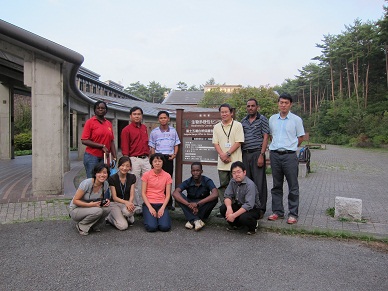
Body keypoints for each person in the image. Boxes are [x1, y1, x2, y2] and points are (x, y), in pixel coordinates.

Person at [268, 93, 305, 224]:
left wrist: (291, 147)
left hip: (289, 156)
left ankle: (293, 214)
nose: (283, 105)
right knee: (276, 185)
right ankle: (278, 211)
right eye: (281, 102)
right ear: (278, 103)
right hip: (275, 155)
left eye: (286, 103)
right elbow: (271, 136)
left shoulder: (296, 120)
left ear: (290, 104)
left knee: (293, 186)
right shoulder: (272, 119)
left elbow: (300, 137)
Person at [212, 103, 244, 215]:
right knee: (223, 186)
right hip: (222, 163)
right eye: (222, 112)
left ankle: (236, 208)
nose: (224, 114)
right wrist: (222, 155)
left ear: (231, 113)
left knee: (237, 185)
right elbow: (215, 143)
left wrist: (228, 154)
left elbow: (239, 142)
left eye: (226, 112)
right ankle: (224, 208)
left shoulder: (238, 125)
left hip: (235, 162)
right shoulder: (216, 127)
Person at [241, 98, 269, 219]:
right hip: (245, 154)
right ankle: (249, 207)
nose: (250, 108)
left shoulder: (262, 119)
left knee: (259, 182)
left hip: (257, 153)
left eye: (253, 106)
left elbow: (266, 137)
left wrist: (262, 155)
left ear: (257, 107)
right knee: (247, 182)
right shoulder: (243, 121)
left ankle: (261, 208)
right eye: (248, 106)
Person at [121, 106, 151, 214]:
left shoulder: (144, 128)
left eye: (139, 114)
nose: (137, 116)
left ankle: (147, 204)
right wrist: (127, 163)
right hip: (134, 159)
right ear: (130, 116)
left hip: (145, 159)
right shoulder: (126, 130)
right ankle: (137, 206)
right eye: (134, 114)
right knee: (135, 183)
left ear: (141, 116)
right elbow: (125, 148)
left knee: (149, 181)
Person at [172, 162, 218, 231]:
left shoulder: (207, 181)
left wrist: (198, 204)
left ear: (201, 171)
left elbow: (215, 194)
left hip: (202, 208)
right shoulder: (188, 181)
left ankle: (191, 220)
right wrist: (188, 204)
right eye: (193, 171)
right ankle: (196, 220)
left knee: (214, 199)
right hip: (190, 207)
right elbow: (175, 193)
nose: (195, 173)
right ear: (191, 172)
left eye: (197, 171)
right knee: (179, 196)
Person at [149, 110, 181, 210]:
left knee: (167, 179)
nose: (163, 119)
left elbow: (176, 144)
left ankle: (168, 203)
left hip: (169, 158)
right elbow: (152, 146)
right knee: (158, 180)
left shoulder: (173, 131)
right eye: (161, 118)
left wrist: (175, 154)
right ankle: (158, 201)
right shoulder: (154, 132)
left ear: (168, 119)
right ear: (158, 120)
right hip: (158, 157)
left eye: (165, 117)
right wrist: (154, 159)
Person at [69, 163, 111, 235]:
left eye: (104, 173)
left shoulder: (105, 184)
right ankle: (81, 226)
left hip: (90, 207)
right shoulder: (87, 183)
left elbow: (98, 199)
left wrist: (106, 201)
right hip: (76, 209)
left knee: (107, 209)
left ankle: (93, 225)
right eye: (99, 172)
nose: (102, 175)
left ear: (107, 174)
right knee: (98, 211)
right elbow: (75, 201)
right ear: (95, 174)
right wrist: (90, 205)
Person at [220, 161, 261, 235]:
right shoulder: (232, 181)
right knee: (223, 208)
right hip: (239, 204)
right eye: (234, 173)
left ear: (244, 172)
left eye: (238, 172)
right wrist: (229, 208)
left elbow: (249, 205)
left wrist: (233, 215)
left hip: (252, 208)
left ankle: (254, 226)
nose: (236, 175)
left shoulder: (250, 184)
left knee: (244, 217)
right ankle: (236, 225)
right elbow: (227, 195)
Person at [81, 101, 117, 178]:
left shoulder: (108, 123)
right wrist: (101, 146)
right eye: (98, 108)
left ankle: (104, 191)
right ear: (95, 110)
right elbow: (84, 140)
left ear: (106, 110)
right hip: (92, 157)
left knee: (105, 179)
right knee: (92, 179)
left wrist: (114, 157)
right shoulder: (90, 122)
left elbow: (111, 141)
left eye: (103, 108)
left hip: (105, 157)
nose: (100, 109)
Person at [141, 153, 173, 232]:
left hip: (161, 203)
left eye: (159, 161)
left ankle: (160, 218)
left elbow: (168, 194)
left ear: (163, 162)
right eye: (155, 161)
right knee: (152, 228)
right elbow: (143, 193)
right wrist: (150, 208)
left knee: (165, 227)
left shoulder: (167, 176)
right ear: (152, 163)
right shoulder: (146, 175)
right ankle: (150, 217)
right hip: (149, 203)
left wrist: (162, 208)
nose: (157, 163)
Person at [106, 156, 136, 230]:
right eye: (122, 165)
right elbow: (114, 197)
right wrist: (127, 203)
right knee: (123, 226)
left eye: (127, 166)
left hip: (126, 203)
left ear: (130, 168)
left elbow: (132, 195)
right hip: (115, 203)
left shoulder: (132, 177)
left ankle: (124, 216)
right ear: (119, 166)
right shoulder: (112, 178)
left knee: (128, 213)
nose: (124, 168)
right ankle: (109, 218)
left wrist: (130, 203)